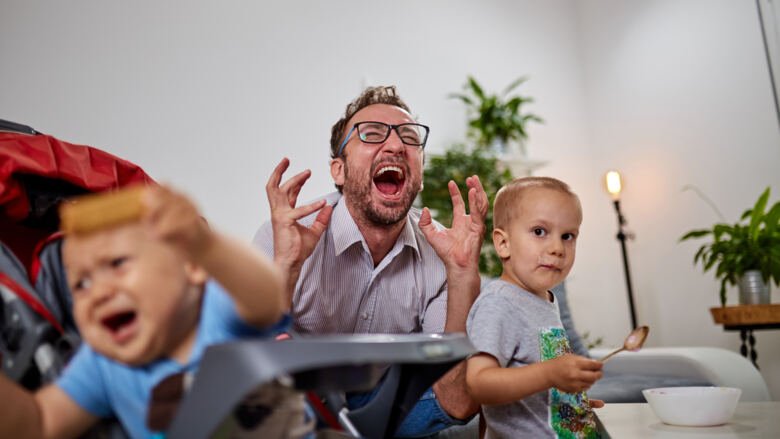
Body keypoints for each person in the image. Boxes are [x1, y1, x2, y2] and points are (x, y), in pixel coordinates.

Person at [254, 85, 487, 435]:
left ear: (420, 173)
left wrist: (463, 273)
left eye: (409, 138)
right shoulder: (285, 234)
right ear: (339, 170)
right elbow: (250, 372)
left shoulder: (444, 251)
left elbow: (455, 398)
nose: (395, 146)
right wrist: (286, 268)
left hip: (393, 410)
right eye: (372, 134)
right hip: (300, 405)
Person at [0, 185, 288, 438]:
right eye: (81, 284)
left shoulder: (212, 312)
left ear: (191, 267)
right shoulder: (103, 364)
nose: (99, 293)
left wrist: (208, 248)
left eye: (117, 264)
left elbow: (266, 297)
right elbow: (40, 422)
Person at [465, 177, 604, 439]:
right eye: (540, 232)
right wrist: (550, 374)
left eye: (567, 236)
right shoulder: (498, 303)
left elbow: (535, 380)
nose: (557, 248)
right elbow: (478, 383)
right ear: (503, 243)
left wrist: (568, 403)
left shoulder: (546, 300)